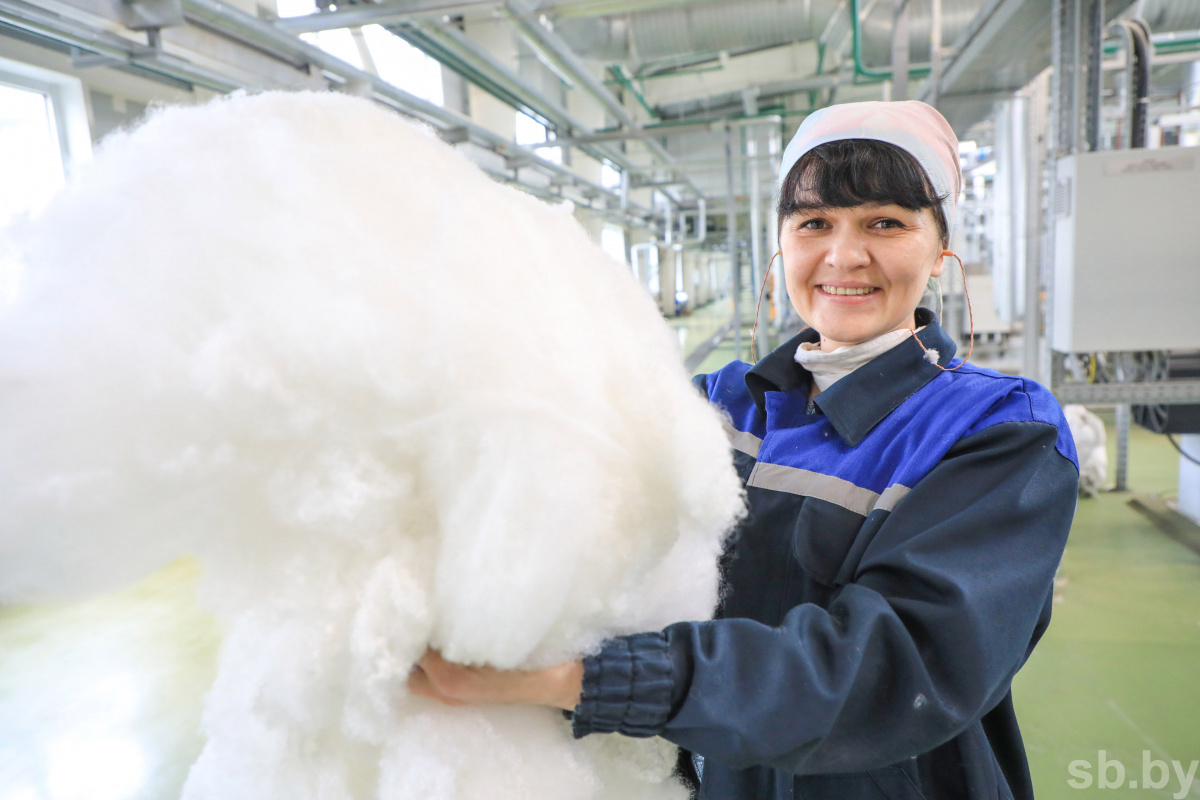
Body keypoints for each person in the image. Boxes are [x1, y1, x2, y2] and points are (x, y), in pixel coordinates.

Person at [409, 100, 1079, 800]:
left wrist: (579, 678)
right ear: (780, 245)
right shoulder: (714, 404)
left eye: (886, 222)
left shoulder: (1000, 431)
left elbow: (897, 666)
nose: (844, 256)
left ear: (941, 249)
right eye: (813, 223)